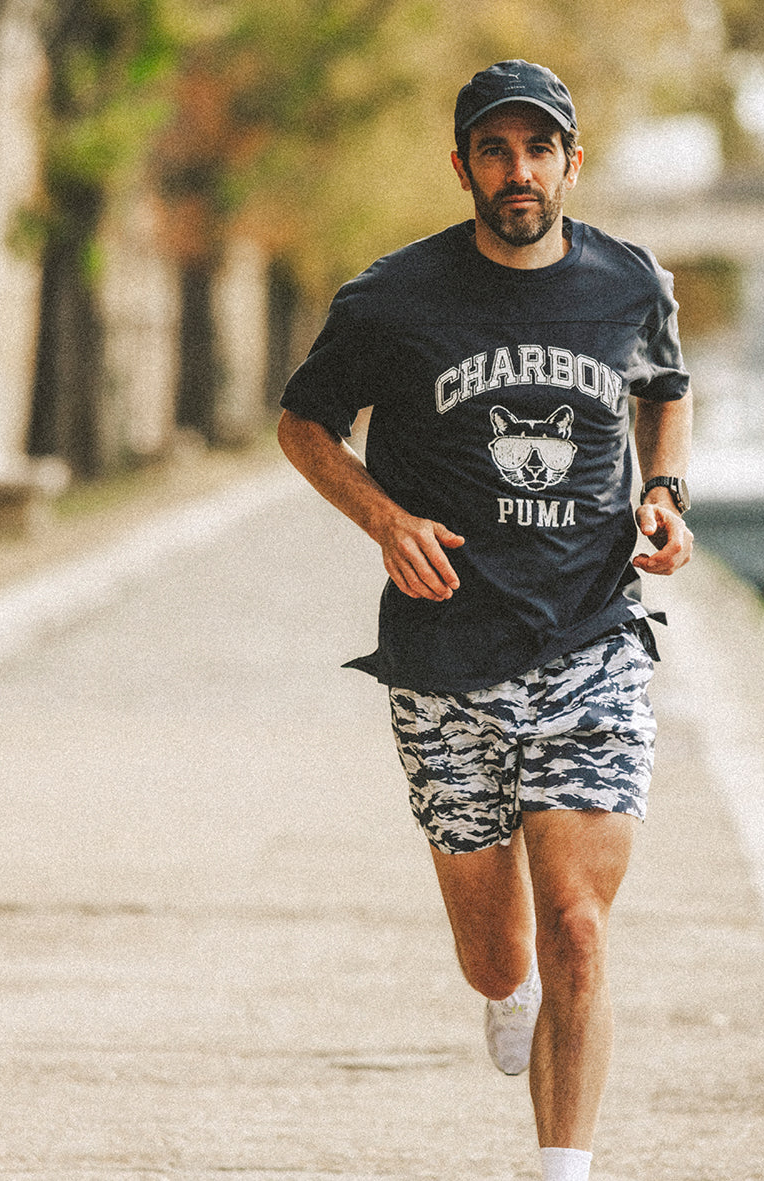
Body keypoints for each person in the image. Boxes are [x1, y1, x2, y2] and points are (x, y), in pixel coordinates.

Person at [277, 59, 693, 1181]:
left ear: (570, 162)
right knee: (499, 954)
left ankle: (562, 1166)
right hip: (443, 652)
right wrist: (383, 517)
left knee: (577, 925)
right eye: (494, 151)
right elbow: (304, 423)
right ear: (461, 166)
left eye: (538, 149)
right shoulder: (389, 299)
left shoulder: (630, 281)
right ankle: (506, 993)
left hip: (589, 639)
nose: (519, 171)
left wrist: (663, 492)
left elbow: (663, 386)